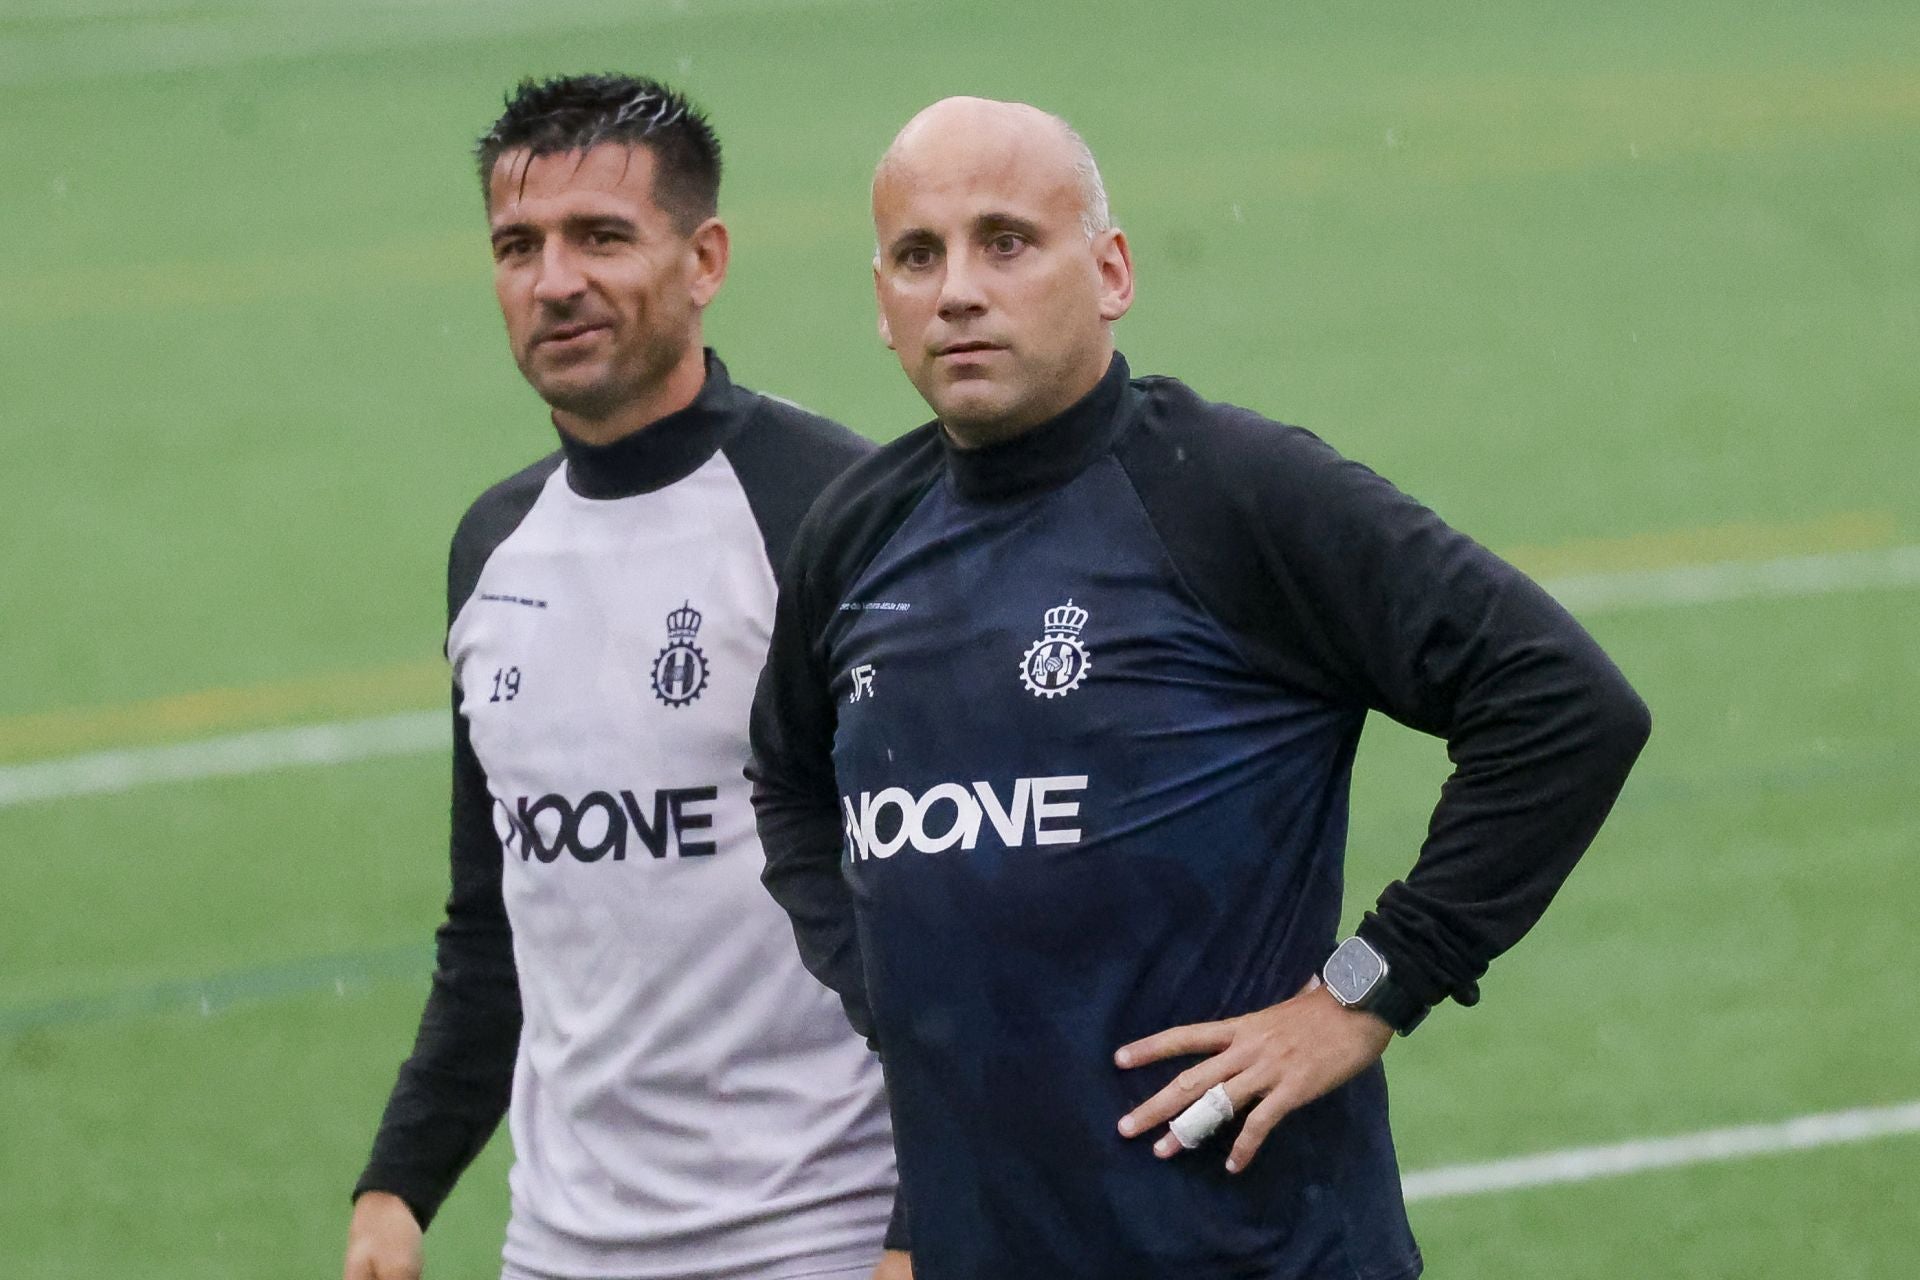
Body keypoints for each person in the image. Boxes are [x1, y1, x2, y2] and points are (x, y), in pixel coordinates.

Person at [747, 96, 1651, 1280]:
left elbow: (1563, 704)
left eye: (1006, 241)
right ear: (883, 302)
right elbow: (790, 785)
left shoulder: (1234, 491)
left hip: (1259, 1251)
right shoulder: (856, 533)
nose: (958, 288)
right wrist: (901, 999)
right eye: (919, 255)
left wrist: (1368, 986)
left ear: (1111, 270)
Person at [344, 75, 908, 1280]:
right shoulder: (492, 549)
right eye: (519, 245)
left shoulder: (834, 514)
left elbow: (956, 906)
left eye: (601, 236)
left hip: (820, 1233)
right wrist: (398, 1186)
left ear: (704, 259)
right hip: (560, 1248)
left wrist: (916, 1232)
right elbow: (495, 918)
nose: (555, 280)